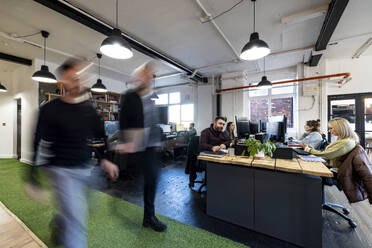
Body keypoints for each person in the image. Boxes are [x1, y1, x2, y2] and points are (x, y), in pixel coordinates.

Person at [32, 58, 119, 248]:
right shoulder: (50, 110)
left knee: (81, 208)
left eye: (79, 78)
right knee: (78, 218)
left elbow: (101, 136)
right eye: (72, 78)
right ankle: (67, 223)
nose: (77, 82)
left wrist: (106, 160)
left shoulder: (89, 109)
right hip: (60, 169)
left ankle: (60, 221)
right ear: (63, 82)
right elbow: (37, 140)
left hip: (84, 167)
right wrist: (32, 177)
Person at [116, 62, 167, 232]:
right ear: (140, 75)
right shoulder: (130, 95)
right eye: (147, 74)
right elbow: (123, 119)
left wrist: (158, 140)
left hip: (151, 145)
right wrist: (124, 140)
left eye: (152, 75)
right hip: (138, 145)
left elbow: (153, 121)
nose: (150, 77)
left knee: (152, 180)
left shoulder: (151, 96)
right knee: (150, 179)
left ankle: (148, 217)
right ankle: (149, 217)